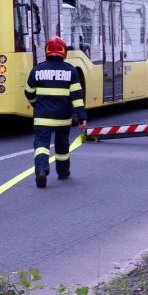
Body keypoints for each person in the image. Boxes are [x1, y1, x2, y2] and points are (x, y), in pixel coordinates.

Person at [24, 37, 87, 188]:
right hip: (63, 118)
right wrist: (81, 118)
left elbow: (28, 92)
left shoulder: (37, 70)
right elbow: (77, 97)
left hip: (42, 117)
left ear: (46, 51)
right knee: (62, 144)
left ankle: (41, 169)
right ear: (63, 51)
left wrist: (36, 105)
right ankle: (63, 171)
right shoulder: (71, 71)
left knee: (41, 145)